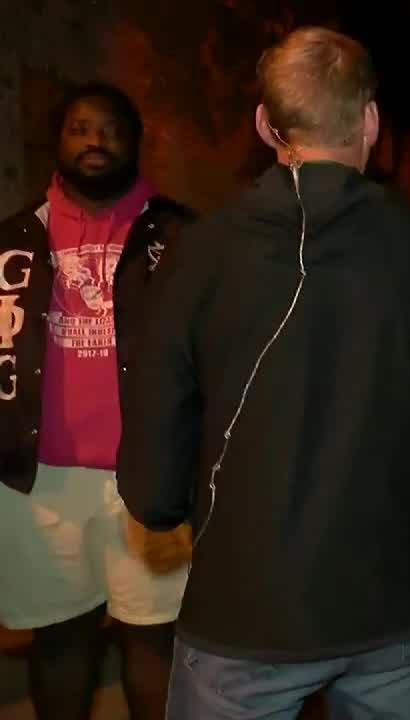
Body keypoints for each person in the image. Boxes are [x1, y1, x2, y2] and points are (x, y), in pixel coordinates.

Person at [116, 27, 410, 719]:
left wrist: (167, 506)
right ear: (369, 121)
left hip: (247, 612)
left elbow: (154, 472)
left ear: (266, 125)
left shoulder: (200, 252)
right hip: (392, 606)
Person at [0, 82, 194, 720]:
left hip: (150, 476)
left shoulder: (182, 235)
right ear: (57, 140)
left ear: (135, 143)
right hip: (40, 482)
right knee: (60, 641)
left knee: (154, 639)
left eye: (110, 129)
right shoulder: (12, 241)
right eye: (80, 128)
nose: (95, 140)